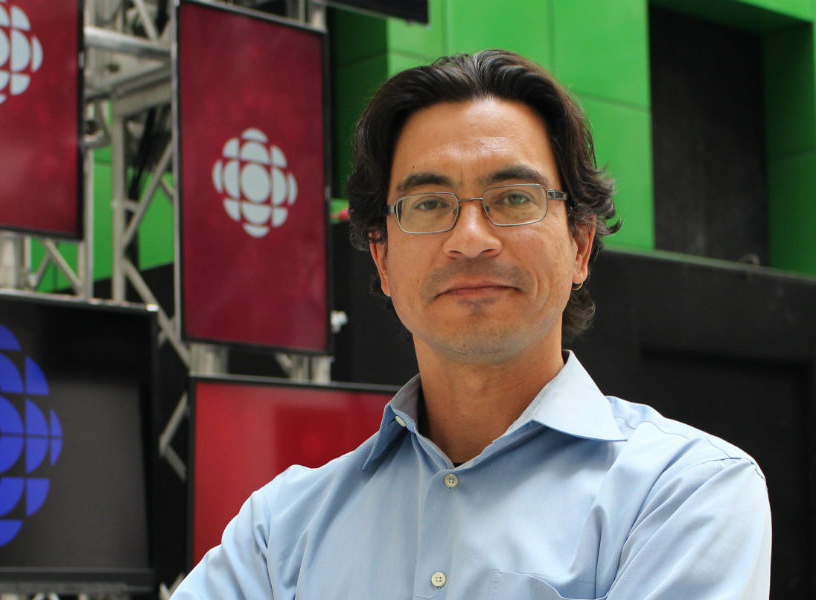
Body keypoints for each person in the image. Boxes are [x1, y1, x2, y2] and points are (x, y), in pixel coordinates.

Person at [173, 50, 771, 599]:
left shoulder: (684, 494)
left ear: (581, 245)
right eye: (429, 204)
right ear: (381, 260)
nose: (470, 240)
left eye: (513, 198)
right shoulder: (283, 528)